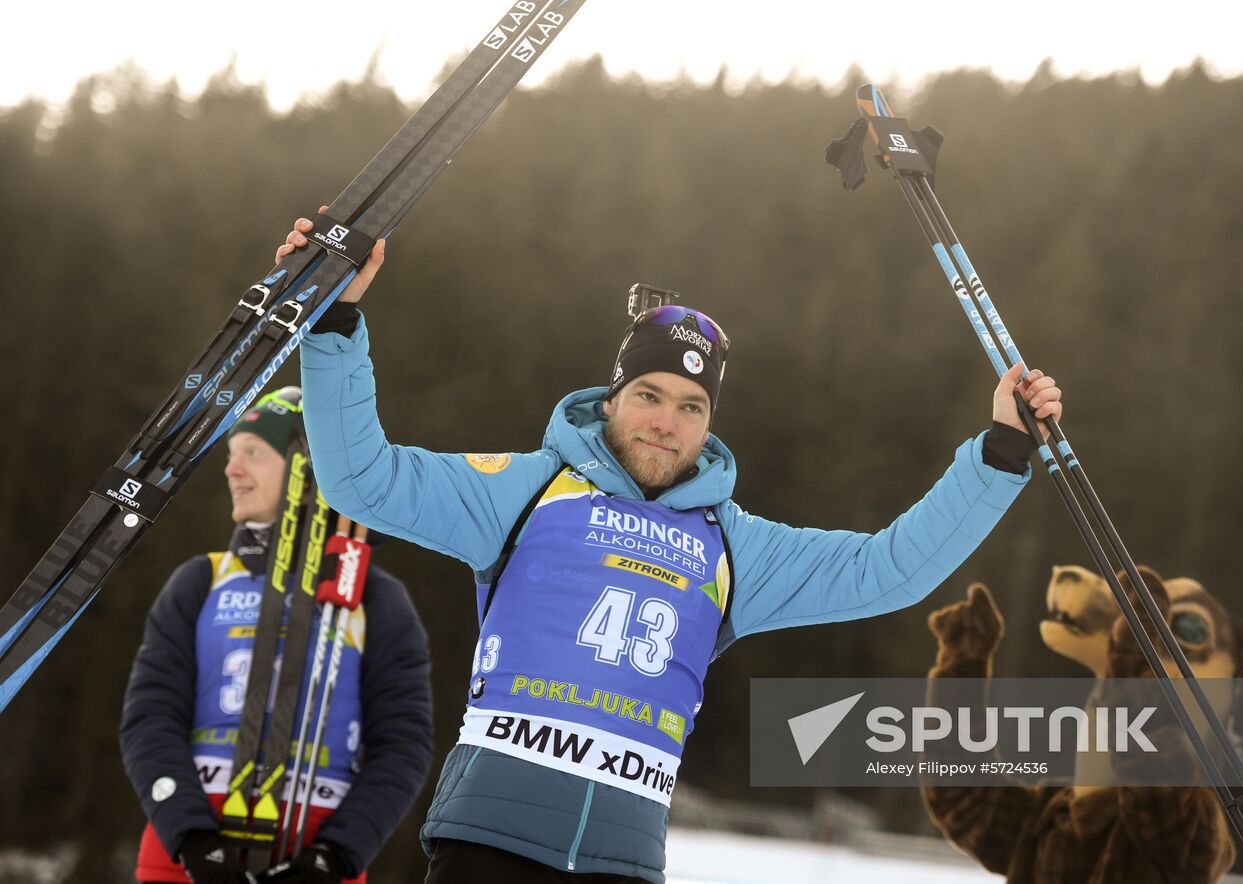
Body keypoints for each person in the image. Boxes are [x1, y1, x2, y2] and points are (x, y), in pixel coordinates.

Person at [283, 213, 1062, 883]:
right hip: (488, 845)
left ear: (708, 422)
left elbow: (887, 570)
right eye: (649, 396)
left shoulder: (734, 545)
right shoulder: (525, 490)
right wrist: (337, 322)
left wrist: (999, 451)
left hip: (624, 862)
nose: (666, 421)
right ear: (614, 398)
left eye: (691, 406)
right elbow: (364, 479)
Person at [119, 387, 435, 884]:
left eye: (252, 454)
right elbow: (149, 718)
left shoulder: (375, 597)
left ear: (308, 472)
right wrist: (190, 835)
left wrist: (338, 853)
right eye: (230, 455)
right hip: (187, 846)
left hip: (316, 845)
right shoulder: (201, 580)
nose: (231, 470)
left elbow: (404, 745)